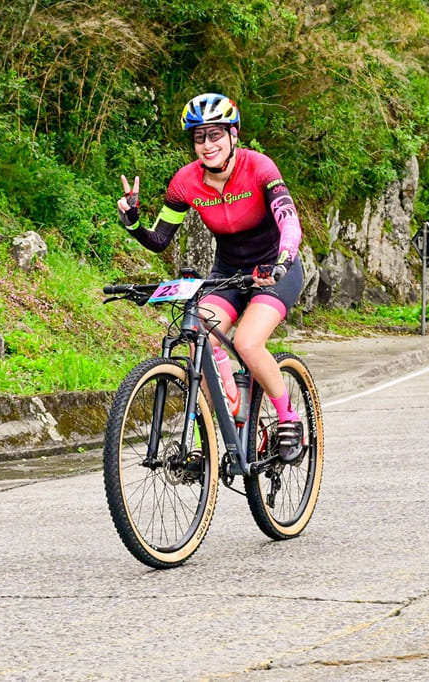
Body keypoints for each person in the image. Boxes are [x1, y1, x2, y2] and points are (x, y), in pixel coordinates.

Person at [116, 92, 305, 456]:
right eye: (199, 137)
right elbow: (159, 239)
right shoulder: (185, 182)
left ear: (233, 135)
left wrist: (282, 262)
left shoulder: (260, 167)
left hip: (274, 268)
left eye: (215, 134)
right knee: (198, 336)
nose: (207, 144)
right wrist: (133, 223)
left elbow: (289, 222)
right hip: (228, 272)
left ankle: (288, 418)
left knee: (248, 342)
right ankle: (221, 423)